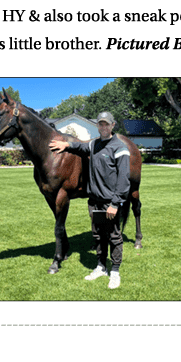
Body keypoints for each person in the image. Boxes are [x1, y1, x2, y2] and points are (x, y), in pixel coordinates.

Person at [50, 112, 130, 290]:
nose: (103, 127)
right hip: (94, 201)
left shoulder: (119, 147)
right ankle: (101, 267)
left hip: (111, 202)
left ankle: (115, 271)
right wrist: (66, 145)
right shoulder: (94, 144)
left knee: (114, 237)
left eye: (106, 124)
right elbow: (80, 147)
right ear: (98, 126)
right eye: (100, 124)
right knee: (98, 235)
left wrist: (115, 204)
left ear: (113, 125)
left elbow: (124, 180)